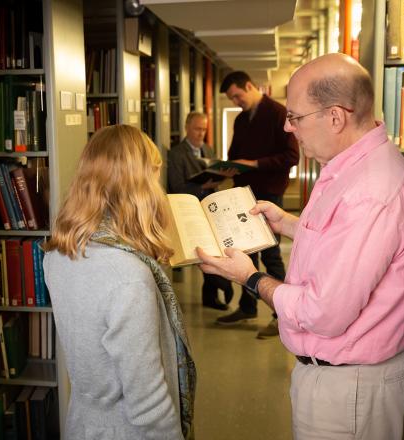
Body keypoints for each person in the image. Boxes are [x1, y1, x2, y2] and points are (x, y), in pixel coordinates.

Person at [197, 53, 404, 439]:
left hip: (348, 391)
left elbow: (323, 313)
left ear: (335, 117)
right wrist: (285, 222)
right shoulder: (349, 167)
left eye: (296, 117)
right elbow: (340, 243)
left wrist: (250, 278)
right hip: (340, 381)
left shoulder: (369, 191)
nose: (288, 127)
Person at [44, 125, 196, 440]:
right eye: (154, 175)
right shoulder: (128, 276)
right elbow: (146, 399)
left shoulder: (59, 254)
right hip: (125, 429)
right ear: (140, 186)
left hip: (82, 421)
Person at [218, 70, 299, 338]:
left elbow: (291, 156)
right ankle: (248, 306)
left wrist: (253, 164)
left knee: (271, 253)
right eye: (231, 98)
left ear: (250, 86)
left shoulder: (278, 113)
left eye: (237, 95)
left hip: (269, 194)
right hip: (243, 192)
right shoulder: (242, 120)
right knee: (245, 252)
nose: (235, 102)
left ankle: (282, 315)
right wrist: (224, 170)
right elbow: (234, 155)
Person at [168, 111, 234, 311]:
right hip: (190, 210)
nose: (201, 133)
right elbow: (176, 186)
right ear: (187, 128)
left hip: (209, 206)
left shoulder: (208, 149)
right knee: (205, 251)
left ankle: (210, 295)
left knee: (215, 247)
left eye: (204, 129)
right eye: (197, 129)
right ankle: (219, 286)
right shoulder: (176, 154)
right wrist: (203, 186)